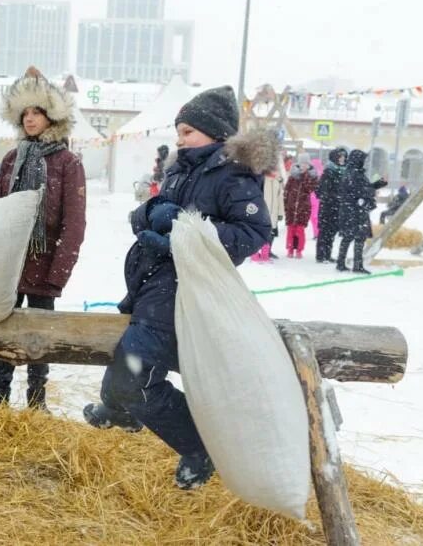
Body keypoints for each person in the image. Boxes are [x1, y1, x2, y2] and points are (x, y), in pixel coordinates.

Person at [83, 86, 273, 490]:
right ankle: (121, 408)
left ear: (214, 132)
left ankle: (198, 445)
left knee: (135, 368)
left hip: (185, 288)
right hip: (154, 283)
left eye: (187, 131)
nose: (179, 138)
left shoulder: (232, 174)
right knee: (131, 354)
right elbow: (151, 211)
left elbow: (254, 232)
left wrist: (182, 230)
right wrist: (152, 213)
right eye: (179, 130)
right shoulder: (181, 167)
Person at [0, 67, 87, 411]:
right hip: (9, 265)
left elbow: (74, 224)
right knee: (4, 331)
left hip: (44, 265)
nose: (30, 119)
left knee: (38, 338)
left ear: (52, 117)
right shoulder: (12, 158)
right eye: (25, 113)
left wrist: (57, 273)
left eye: (37, 112)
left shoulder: (67, 162)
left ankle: (36, 401)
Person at [336, 149, 387, 274]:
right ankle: (355, 265)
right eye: (363, 159)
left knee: (350, 237)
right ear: (357, 160)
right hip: (355, 211)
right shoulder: (353, 173)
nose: (364, 162)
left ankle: (342, 263)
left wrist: (379, 183)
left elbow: (364, 188)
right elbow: (360, 191)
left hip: (353, 210)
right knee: (358, 238)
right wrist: (370, 192)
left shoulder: (354, 172)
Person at [283, 153, 318, 258]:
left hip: (304, 208)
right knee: (290, 230)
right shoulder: (293, 176)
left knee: (300, 230)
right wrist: (286, 204)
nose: (304, 165)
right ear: (299, 164)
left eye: (306, 164)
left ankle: (299, 250)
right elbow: (287, 190)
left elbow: (309, 189)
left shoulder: (311, 177)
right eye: (302, 163)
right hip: (291, 206)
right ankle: (290, 249)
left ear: (309, 165)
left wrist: (305, 175)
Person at [316, 147, 347, 263]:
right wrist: (332, 196)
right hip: (327, 207)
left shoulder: (344, 171)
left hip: (337, 207)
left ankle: (328, 255)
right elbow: (320, 191)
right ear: (335, 157)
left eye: (344, 156)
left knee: (332, 232)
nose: (343, 159)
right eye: (340, 156)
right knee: (324, 232)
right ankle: (321, 255)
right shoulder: (329, 171)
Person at [251, 158, 285, 262]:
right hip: (261, 212)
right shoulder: (261, 179)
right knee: (258, 233)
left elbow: (280, 198)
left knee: (269, 235)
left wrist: (280, 213)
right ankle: (255, 254)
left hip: (273, 213)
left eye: (275, 168)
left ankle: (266, 254)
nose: (274, 170)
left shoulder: (277, 181)